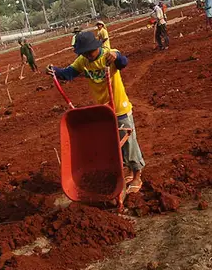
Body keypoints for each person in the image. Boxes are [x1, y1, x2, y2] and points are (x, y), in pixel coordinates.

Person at [48, 31, 145, 195]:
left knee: (128, 142)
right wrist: (54, 70)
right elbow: (69, 73)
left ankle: (137, 175)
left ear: (96, 47)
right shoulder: (83, 61)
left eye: (89, 51)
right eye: (84, 53)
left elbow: (123, 61)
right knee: (113, 144)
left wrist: (116, 55)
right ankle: (127, 171)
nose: (87, 55)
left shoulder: (108, 55)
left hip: (119, 107)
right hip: (103, 111)